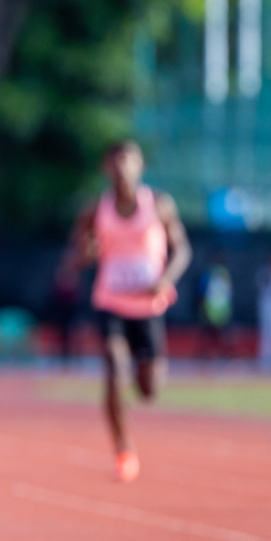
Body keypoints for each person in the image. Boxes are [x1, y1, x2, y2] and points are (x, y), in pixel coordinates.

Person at [61, 139, 190, 482]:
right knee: (114, 369)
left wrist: (165, 279)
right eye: (115, 160)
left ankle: (139, 379)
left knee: (149, 390)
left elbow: (182, 250)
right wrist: (85, 253)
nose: (122, 167)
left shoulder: (159, 205)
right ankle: (124, 449)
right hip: (111, 302)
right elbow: (76, 255)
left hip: (148, 305)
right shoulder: (95, 210)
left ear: (140, 166)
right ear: (107, 167)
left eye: (128, 160)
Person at [194, 254, 233, 361]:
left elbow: (201, 294)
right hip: (219, 311)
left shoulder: (208, 274)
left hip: (212, 311)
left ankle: (211, 356)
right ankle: (214, 356)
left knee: (212, 336)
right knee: (215, 336)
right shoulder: (225, 275)